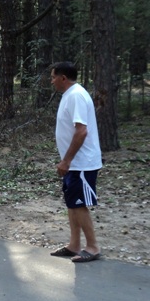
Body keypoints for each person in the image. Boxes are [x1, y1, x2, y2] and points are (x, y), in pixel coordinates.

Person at [49, 62, 103, 263]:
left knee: (79, 205)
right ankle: (74, 245)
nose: (51, 81)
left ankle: (93, 247)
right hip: (74, 164)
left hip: (82, 163)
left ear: (63, 78)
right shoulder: (69, 95)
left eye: (53, 77)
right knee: (72, 203)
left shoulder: (77, 95)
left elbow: (82, 131)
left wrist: (67, 160)